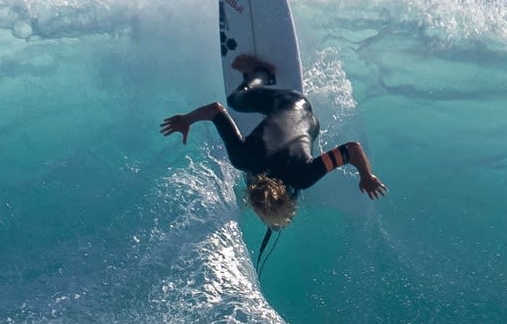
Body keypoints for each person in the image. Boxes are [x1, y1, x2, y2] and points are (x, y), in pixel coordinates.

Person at [161, 55, 385, 228]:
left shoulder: (303, 177)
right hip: (290, 102)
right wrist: (186, 120)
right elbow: (215, 110)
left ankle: (259, 74)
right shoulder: (242, 158)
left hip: (306, 115)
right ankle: (259, 75)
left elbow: (352, 150)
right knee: (235, 102)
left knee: (237, 102)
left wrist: (366, 176)